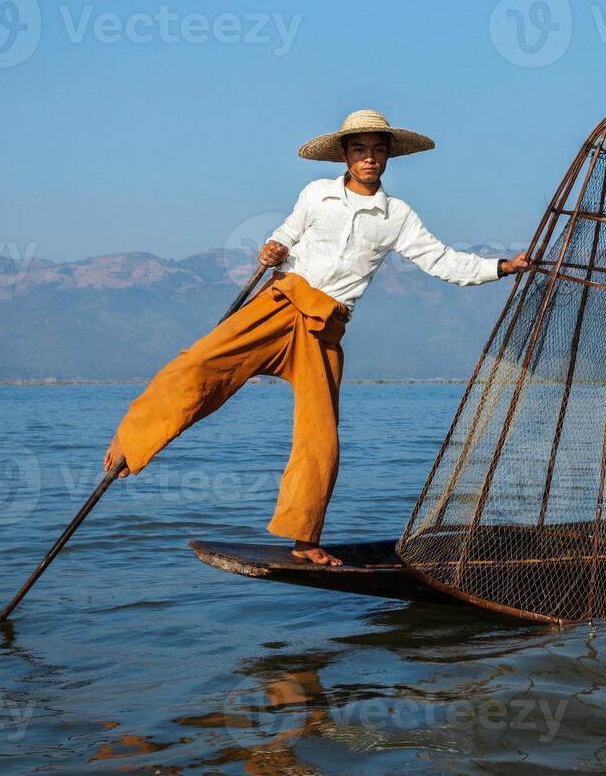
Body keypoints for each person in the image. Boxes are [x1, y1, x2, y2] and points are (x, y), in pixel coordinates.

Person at [103, 109, 528, 565]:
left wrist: (503, 267)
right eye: (360, 150)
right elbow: (287, 233)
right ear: (345, 156)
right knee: (200, 364)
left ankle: (304, 539)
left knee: (320, 436)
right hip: (280, 303)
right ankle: (133, 440)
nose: (369, 159)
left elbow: (444, 262)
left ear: (388, 158)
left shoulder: (397, 216)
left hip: (324, 327)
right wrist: (273, 246)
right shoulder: (317, 194)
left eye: (377, 151)